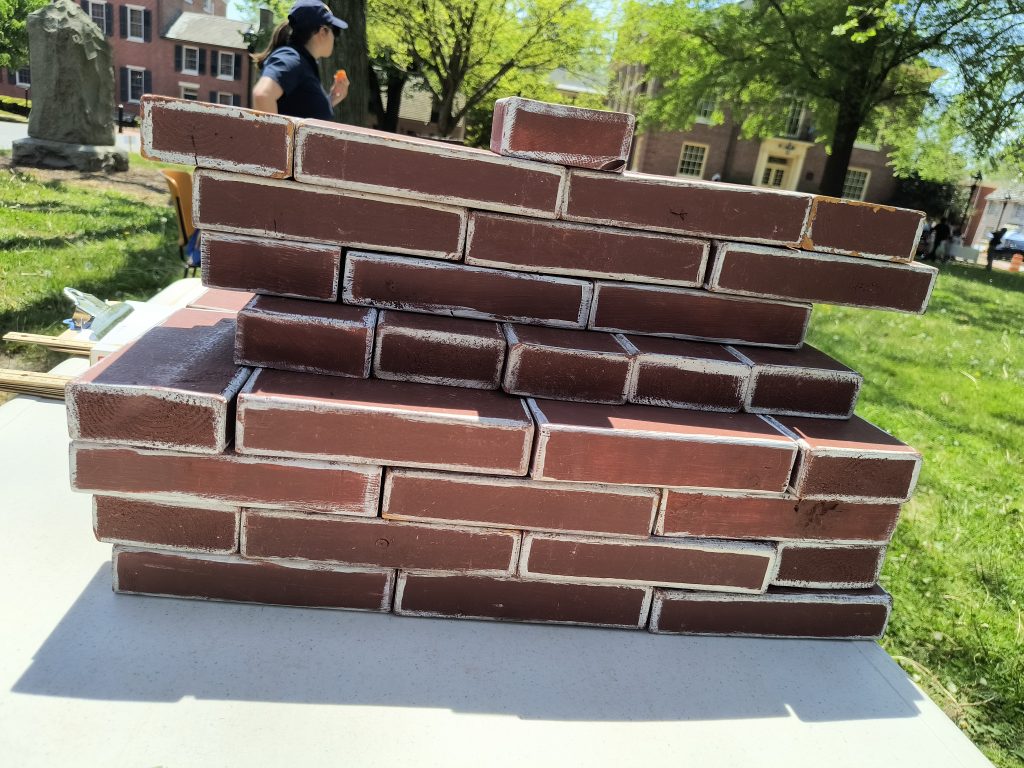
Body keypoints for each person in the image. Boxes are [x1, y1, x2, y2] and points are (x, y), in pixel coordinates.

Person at [251, 0, 348, 120]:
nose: (335, 37)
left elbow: (302, 114)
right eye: (335, 31)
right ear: (323, 32)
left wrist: (332, 98)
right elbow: (262, 95)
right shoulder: (291, 58)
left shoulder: (304, 62)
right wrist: (276, 138)